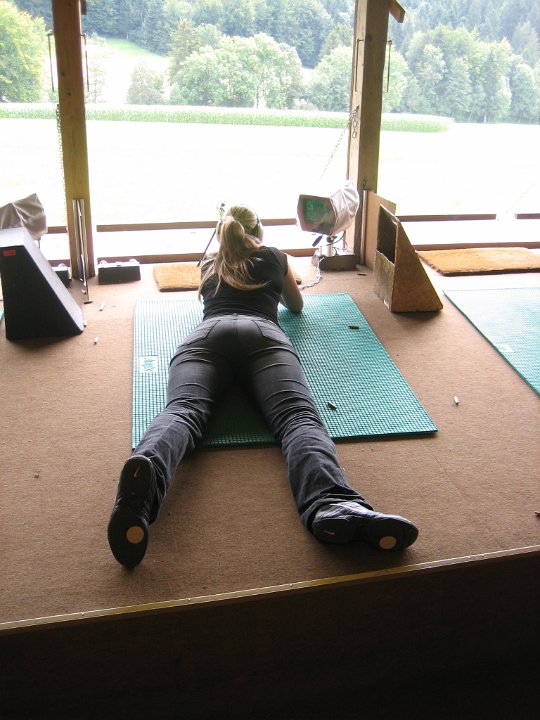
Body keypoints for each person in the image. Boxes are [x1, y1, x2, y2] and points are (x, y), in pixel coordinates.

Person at [108, 204, 418, 569]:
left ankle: (145, 475)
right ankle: (332, 504)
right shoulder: (275, 256)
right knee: (296, 418)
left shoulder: (209, 262)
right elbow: (296, 305)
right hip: (264, 336)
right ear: (259, 231)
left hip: (207, 337)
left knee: (183, 410)